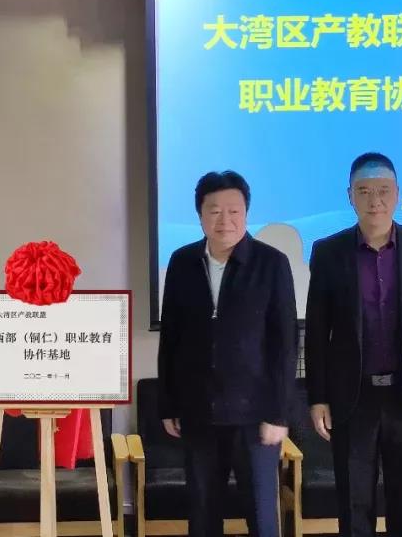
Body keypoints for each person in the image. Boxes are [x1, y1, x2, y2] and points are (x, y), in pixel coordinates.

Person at [304, 153, 402, 537]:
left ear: (398, 194)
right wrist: (317, 397)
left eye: (384, 190)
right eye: (365, 191)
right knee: (354, 504)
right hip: (352, 398)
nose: (375, 200)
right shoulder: (328, 252)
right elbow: (317, 332)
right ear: (350, 196)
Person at [157, 170, 297, 537]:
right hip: (198, 410)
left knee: (262, 517)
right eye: (214, 211)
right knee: (203, 514)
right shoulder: (183, 262)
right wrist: (169, 404)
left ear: (246, 213)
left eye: (234, 211)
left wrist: (279, 413)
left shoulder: (272, 263)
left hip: (256, 415)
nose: (225, 220)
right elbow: (171, 337)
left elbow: (285, 344)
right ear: (200, 215)